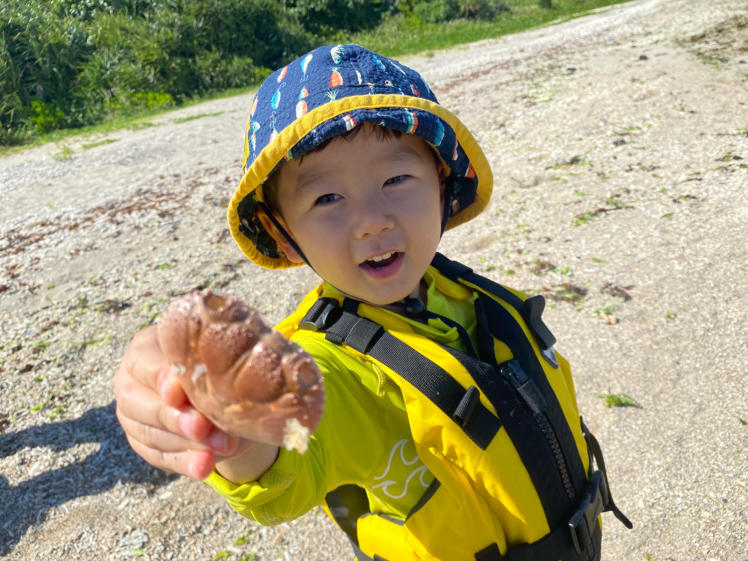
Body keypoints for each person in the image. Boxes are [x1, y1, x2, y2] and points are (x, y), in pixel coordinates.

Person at [114, 44, 629, 561]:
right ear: (284, 233)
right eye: (327, 199)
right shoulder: (332, 368)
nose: (371, 220)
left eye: (396, 180)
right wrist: (232, 420)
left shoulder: (466, 296)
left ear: (441, 185)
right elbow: (283, 453)